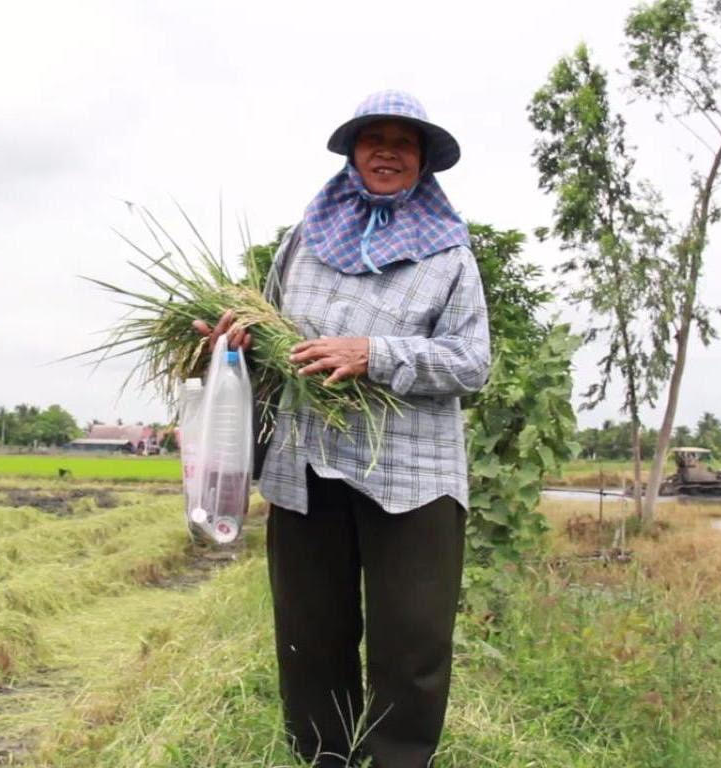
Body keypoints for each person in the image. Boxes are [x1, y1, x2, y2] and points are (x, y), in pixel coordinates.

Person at [195, 90, 490, 768]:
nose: (387, 150)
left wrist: (375, 354)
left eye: (403, 141)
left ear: (422, 162)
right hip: (306, 465)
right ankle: (325, 756)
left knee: (410, 640)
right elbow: (268, 332)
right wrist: (230, 343)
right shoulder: (305, 240)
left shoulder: (449, 255)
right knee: (310, 634)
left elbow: (471, 365)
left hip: (410, 476)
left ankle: (396, 759)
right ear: (352, 155)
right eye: (372, 138)